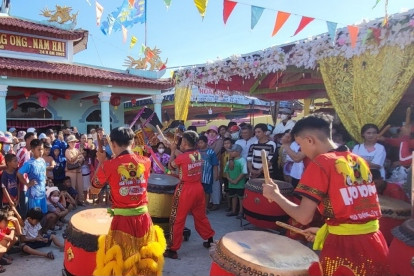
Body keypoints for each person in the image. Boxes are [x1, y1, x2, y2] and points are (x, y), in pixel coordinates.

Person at [263, 113, 391, 276]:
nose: (301, 150)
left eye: (300, 145)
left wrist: (275, 195)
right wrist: (327, 230)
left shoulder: (320, 163)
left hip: (346, 249)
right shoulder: (357, 160)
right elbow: (352, 210)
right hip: (375, 243)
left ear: (310, 140)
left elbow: (303, 217)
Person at [89, 127, 166, 275]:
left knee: (123, 262)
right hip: (144, 219)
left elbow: (94, 189)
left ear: (113, 144)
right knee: (145, 262)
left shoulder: (108, 165)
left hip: (122, 222)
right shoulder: (146, 161)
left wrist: (101, 162)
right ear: (132, 142)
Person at [164, 130, 215, 259]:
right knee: (200, 216)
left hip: (185, 189)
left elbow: (170, 166)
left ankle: (173, 249)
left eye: (181, 141)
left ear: (185, 142)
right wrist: (175, 149)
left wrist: (172, 151)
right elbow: (186, 157)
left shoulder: (181, 158)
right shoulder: (197, 154)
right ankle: (210, 239)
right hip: (198, 188)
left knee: (177, 219)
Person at [17, 139, 48, 214]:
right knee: (35, 215)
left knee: (43, 213)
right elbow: (19, 173)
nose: (41, 151)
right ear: (33, 150)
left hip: (42, 192)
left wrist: (45, 179)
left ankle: (42, 226)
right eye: (39, 149)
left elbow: (44, 172)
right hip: (34, 195)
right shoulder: (29, 163)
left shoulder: (42, 161)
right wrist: (27, 184)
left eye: (42, 149)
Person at [224, 144, 247, 219]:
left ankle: (241, 211)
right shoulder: (230, 161)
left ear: (238, 152)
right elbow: (226, 170)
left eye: (233, 151)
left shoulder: (242, 160)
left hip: (240, 183)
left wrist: (236, 180)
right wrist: (229, 179)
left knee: (241, 198)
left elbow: (244, 172)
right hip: (232, 183)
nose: (231, 153)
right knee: (233, 196)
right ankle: (234, 211)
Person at [16, 132, 36, 218]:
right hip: (21, 185)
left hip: (27, 185)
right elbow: (16, 167)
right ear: (27, 140)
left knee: (27, 209)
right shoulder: (22, 151)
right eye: (32, 139)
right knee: (23, 210)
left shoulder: (29, 152)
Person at [198, 135, 219, 211]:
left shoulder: (211, 152)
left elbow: (215, 164)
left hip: (207, 176)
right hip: (197, 177)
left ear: (206, 143)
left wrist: (216, 174)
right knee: (198, 193)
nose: (200, 144)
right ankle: (198, 208)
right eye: (199, 143)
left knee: (207, 192)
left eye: (201, 142)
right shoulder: (197, 152)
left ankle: (205, 208)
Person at [65, 135, 85, 205]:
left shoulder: (76, 150)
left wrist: (77, 159)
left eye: (74, 142)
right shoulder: (67, 150)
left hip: (78, 170)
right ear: (68, 143)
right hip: (71, 171)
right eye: (71, 142)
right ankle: (73, 203)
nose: (73, 143)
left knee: (80, 186)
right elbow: (71, 160)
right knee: (72, 187)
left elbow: (82, 158)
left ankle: (80, 201)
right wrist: (77, 157)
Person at [0, 208, 21, 272]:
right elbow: (10, 238)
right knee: (5, 241)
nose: (7, 223)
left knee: (15, 238)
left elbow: (19, 234)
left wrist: (16, 222)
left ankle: (0, 258)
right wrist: (12, 229)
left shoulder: (3, 227)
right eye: (5, 221)